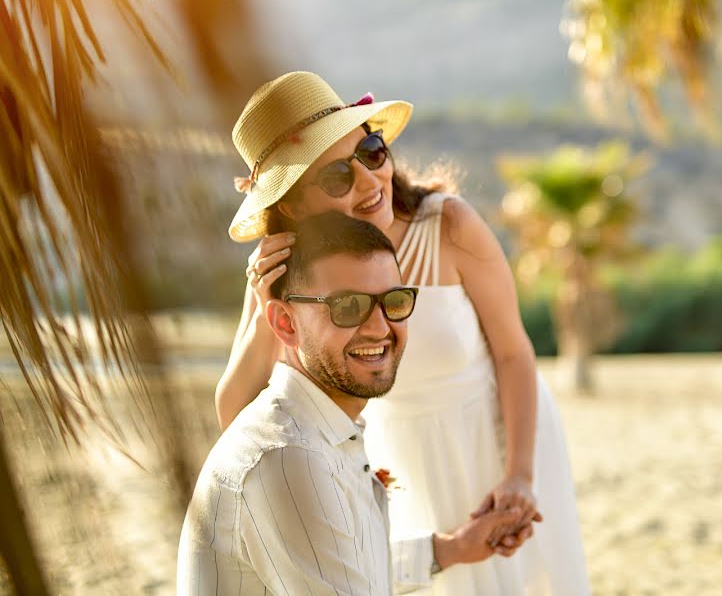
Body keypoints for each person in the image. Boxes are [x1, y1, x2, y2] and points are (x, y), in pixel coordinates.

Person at [218, 72, 589, 595]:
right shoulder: (284, 273)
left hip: (501, 437)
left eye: (371, 151)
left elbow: (512, 351)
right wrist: (263, 313)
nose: (371, 182)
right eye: (336, 177)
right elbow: (236, 416)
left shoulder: (448, 226)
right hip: (397, 463)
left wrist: (519, 476)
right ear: (294, 204)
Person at [177, 212, 536, 595]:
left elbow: (344, 562)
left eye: (394, 301)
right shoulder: (288, 457)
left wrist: (454, 548)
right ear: (285, 324)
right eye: (348, 307)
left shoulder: (323, 428)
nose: (380, 328)